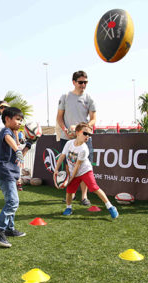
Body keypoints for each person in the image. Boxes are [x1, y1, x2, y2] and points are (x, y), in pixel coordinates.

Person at [0, 107, 33, 247]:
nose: (20, 122)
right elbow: (12, 144)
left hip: (12, 171)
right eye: (17, 119)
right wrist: (17, 150)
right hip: (4, 171)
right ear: (7, 119)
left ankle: (9, 229)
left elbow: (18, 157)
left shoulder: (14, 135)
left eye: (21, 120)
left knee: (11, 200)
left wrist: (29, 145)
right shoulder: (5, 131)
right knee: (13, 202)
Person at [54, 123, 118, 218]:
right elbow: (62, 156)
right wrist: (56, 170)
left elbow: (77, 166)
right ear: (77, 133)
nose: (87, 136)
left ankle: (111, 207)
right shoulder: (69, 144)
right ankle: (68, 208)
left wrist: (69, 180)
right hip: (73, 172)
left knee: (94, 188)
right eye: (85, 133)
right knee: (69, 191)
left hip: (85, 171)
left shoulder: (84, 149)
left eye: (89, 135)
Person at [56, 70, 96, 206]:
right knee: (69, 166)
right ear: (74, 82)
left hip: (84, 138)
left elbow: (93, 119)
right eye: (80, 82)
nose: (83, 84)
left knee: (84, 167)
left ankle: (84, 197)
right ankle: (71, 194)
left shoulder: (89, 98)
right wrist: (65, 129)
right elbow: (59, 118)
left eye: (85, 82)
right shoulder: (65, 96)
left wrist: (83, 129)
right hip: (67, 138)